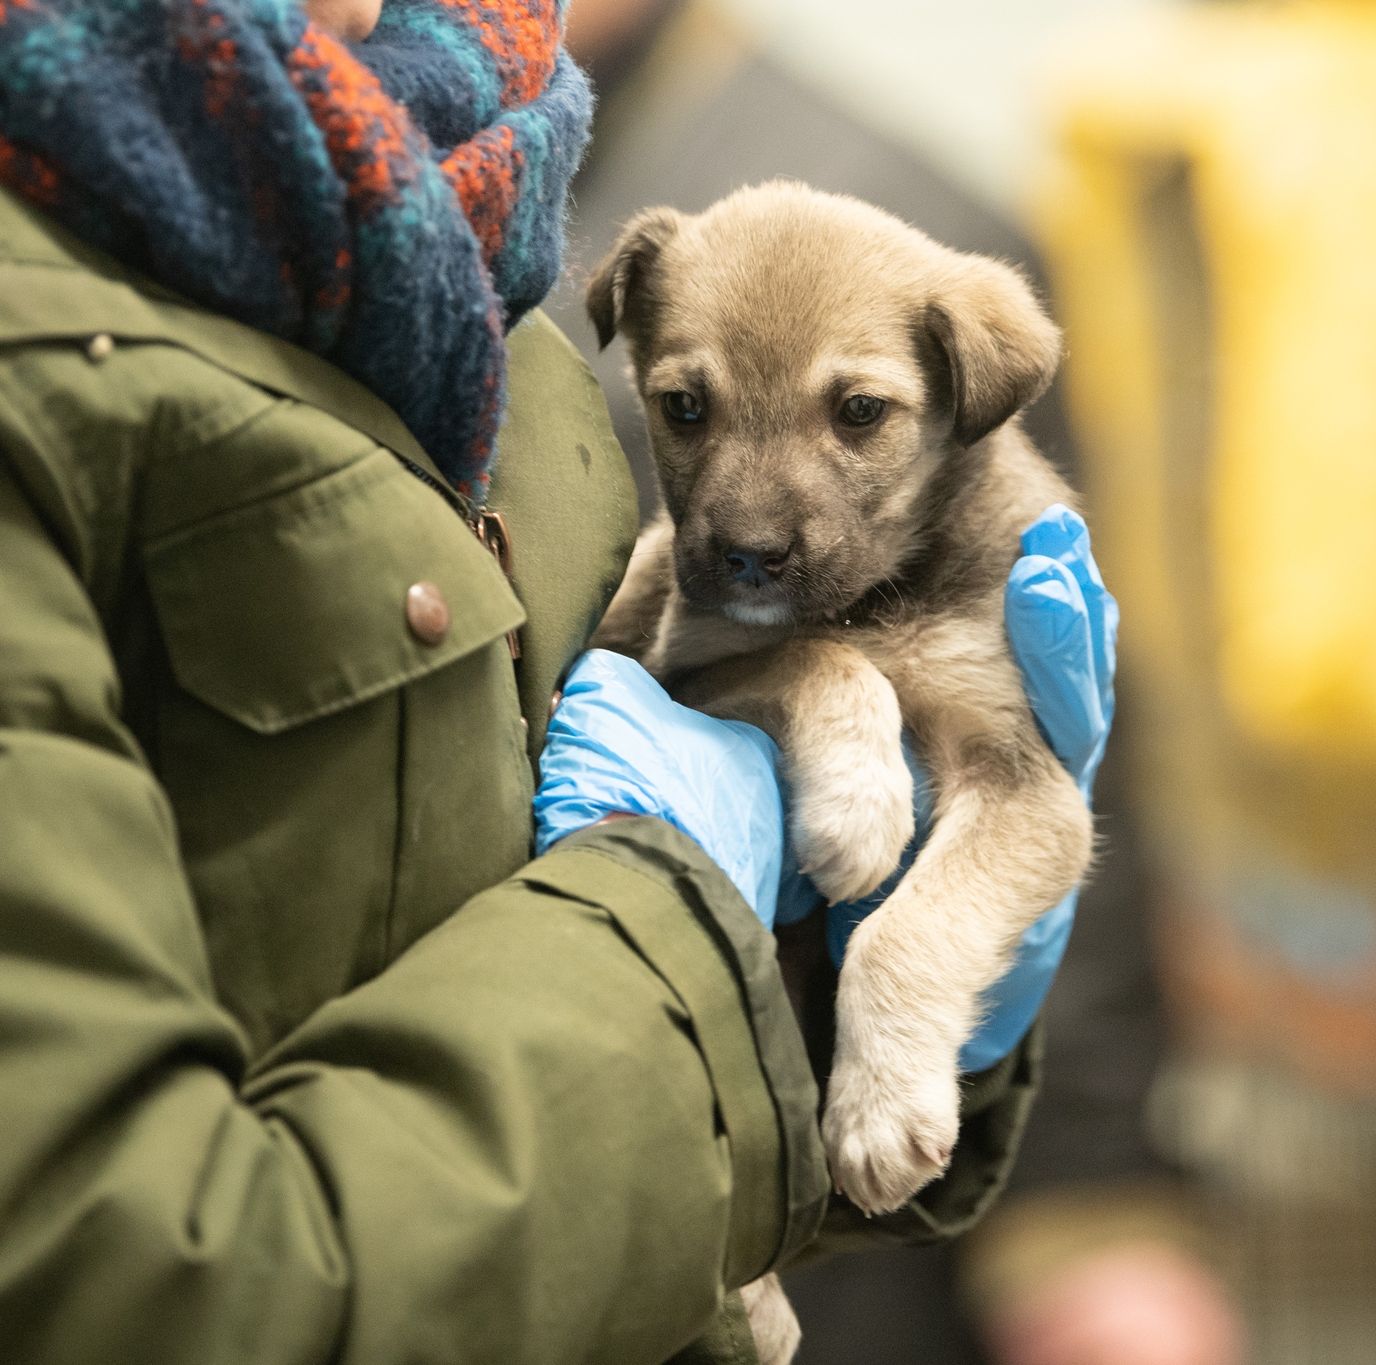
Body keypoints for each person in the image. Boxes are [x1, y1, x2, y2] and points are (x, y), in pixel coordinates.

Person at [0, 2, 1110, 1361]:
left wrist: (832, 1067)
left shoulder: (478, 231)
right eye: (685, 410)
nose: (751, 514)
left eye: (856, 416)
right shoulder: (72, 312)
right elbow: (155, 1274)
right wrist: (667, 915)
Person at [553, 6, 1242, 1365]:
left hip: (859, 1182)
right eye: (687, 409)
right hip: (575, 1102)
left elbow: (1054, 740)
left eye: (854, 417)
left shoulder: (886, 205)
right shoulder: (394, 181)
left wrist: (1095, 1213)